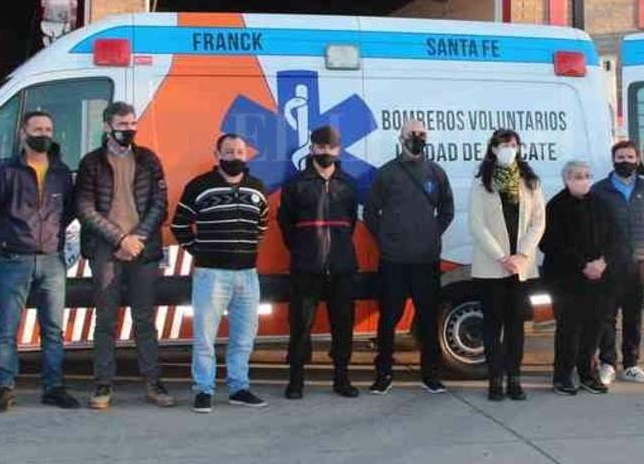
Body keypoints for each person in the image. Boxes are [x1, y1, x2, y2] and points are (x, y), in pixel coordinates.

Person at [0, 110, 80, 413]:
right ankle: (4, 389)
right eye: (38, 129)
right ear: (24, 134)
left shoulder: (61, 173)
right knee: (7, 329)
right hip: (13, 260)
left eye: (48, 129)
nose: (44, 134)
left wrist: (53, 240)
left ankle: (54, 388)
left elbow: (68, 211)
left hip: (52, 261)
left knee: (53, 330)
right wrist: (6, 242)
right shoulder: (6, 172)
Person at [74, 102, 172, 409]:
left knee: (144, 318)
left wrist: (137, 238)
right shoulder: (91, 162)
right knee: (105, 318)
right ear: (107, 126)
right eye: (122, 123)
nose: (129, 129)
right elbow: (84, 208)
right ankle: (103, 385)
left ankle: (153, 382)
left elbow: (160, 204)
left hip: (142, 249)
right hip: (106, 249)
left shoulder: (148, 159)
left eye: (132, 123)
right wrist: (119, 238)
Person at [172, 134, 271, 414]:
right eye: (228, 152)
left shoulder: (257, 188)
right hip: (211, 274)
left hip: (247, 275)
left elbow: (261, 225)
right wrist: (201, 252)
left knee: (244, 336)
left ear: (246, 155)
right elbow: (180, 225)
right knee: (205, 337)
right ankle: (203, 390)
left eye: (240, 152)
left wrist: (244, 250)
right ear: (217, 155)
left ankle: (239, 388)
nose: (235, 157)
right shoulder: (199, 186)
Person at [364, 119, 455, 395]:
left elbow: (447, 211)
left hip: (426, 261)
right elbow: (370, 213)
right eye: (411, 134)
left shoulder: (436, 172)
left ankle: (431, 375)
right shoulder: (387, 173)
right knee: (388, 320)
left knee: (428, 321)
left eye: (421, 134)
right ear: (400, 138)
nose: (416, 138)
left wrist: (431, 235)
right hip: (394, 261)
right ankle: (383, 373)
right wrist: (386, 240)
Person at [278, 126, 361, 399]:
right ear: (312, 148)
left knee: (343, 324)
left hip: (341, 268)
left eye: (331, 148)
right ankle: (296, 380)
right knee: (300, 326)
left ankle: (342, 378)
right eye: (321, 147)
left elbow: (349, 223)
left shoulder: (348, 184)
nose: (326, 152)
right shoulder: (295, 184)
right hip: (306, 267)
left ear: (338, 150)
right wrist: (304, 250)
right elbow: (286, 224)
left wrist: (335, 249)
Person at [469, 129, 546, 402]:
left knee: (515, 325)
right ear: (493, 149)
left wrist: (522, 255)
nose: (509, 148)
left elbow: (538, 222)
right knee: (492, 325)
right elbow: (476, 224)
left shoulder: (531, 182)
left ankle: (514, 378)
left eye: (514, 144)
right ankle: (495, 379)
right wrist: (502, 256)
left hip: (521, 268)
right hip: (492, 266)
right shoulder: (480, 184)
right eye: (504, 144)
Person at [593, 140, 644, 385]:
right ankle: (607, 363)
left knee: (634, 315)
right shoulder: (600, 190)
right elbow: (593, 229)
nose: (626, 161)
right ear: (613, 160)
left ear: (638, 159)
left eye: (630, 157)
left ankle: (632, 364)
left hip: (642, 261)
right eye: (621, 157)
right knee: (606, 315)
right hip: (611, 262)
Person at [539, 160, 613, 395]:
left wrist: (602, 262)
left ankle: (587, 374)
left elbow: (615, 237)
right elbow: (550, 243)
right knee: (568, 329)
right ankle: (562, 376)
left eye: (587, 175)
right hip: (566, 278)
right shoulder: (556, 206)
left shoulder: (600, 205)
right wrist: (582, 265)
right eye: (578, 176)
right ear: (567, 180)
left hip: (598, 277)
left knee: (593, 327)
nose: (584, 180)